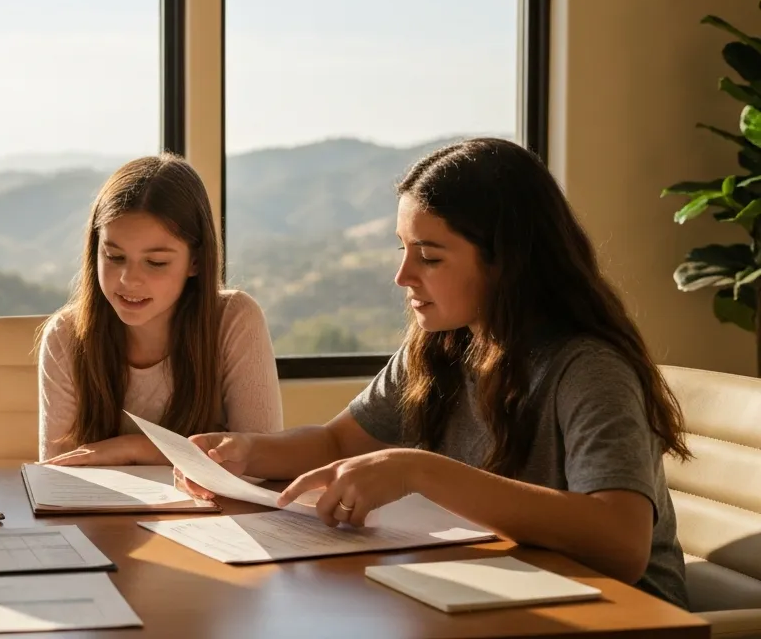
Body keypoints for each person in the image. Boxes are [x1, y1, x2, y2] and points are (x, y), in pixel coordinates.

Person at [177, 137, 690, 609]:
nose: (403, 275)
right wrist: (242, 451)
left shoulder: (589, 369)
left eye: (429, 256)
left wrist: (419, 471)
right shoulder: (441, 346)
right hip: (496, 592)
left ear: (505, 262)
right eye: (403, 249)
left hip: (616, 614)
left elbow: (622, 545)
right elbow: (338, 443)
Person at [38, 153, 282, 466]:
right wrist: (187, 455)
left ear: (195, 261)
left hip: (215, 515)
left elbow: (262, 459)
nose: (128, 280)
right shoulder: (65, 337)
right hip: (101, 515)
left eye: (156, 263)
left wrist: (134, 448)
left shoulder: (234, 318)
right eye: (114, 257)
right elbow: (59, 474)